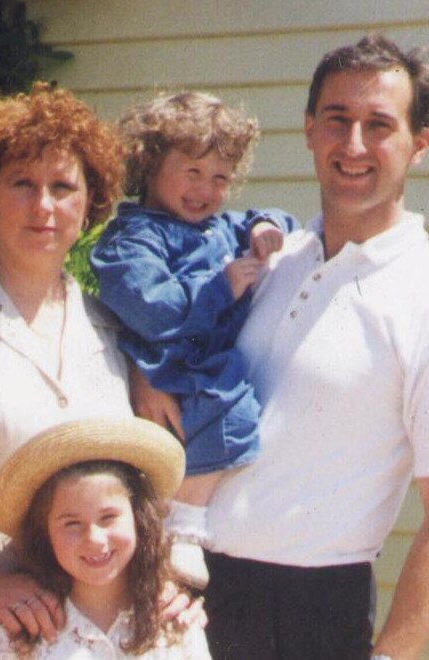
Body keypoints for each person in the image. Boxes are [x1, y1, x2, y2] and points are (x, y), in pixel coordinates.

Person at [133, 34, 429, 660]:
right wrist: (148, 376)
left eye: (378, 125)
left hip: (308, 617)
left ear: (419, 143)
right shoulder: (269, 257)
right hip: (179, 586)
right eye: (337, 120)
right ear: (308, 130)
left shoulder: (419, 290)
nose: (353, 145)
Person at [0, 82, 133, 659]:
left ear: (89, 203)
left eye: (63, 186)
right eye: (22, 183)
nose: (43, 205)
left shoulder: (108, 327)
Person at [90, 91, 298, 589]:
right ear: (149, 163)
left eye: (221, 177)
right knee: (225, 411)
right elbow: (151, 307)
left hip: (202, 364)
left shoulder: (216, 228)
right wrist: (219, 287)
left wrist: (266, 226)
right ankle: (181, 526)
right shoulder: (134, 237)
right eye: (193, 172)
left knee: (231, 411)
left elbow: (278, 222)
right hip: (169, 362)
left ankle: (177, 520)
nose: (206, 190)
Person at [0, 416, 211, 659]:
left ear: (139, 518)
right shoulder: (21, 635)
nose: (94, 539)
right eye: (72, 524)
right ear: (45, 533)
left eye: (108, 517)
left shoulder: (174, 621)